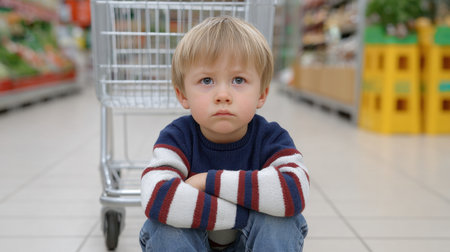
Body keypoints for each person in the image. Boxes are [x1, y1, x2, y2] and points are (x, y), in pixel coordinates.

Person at [139, 16, 309, 252]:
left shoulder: (271, 138)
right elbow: (156, 196)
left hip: (250, 244)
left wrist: (206, 181)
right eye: (206, 80)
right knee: (166, 226)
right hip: (193, 244)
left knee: (279, 221)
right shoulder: (177, 136)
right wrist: (243, 215)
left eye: (238, 80)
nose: (223, 95)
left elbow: (294, 191)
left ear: (262, 94)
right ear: (182, 95)